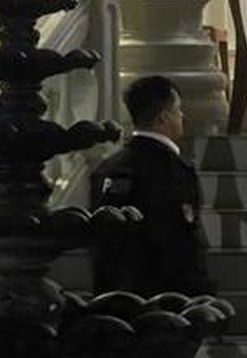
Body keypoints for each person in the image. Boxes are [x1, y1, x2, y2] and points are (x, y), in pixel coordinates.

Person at [90, 76, 214, 297]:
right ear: (162, 117)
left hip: (113, 296)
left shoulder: (107, 168)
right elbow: (178, 241)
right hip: (163, 298)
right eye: (177, 110)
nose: (182, 116)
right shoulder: (172, 170)